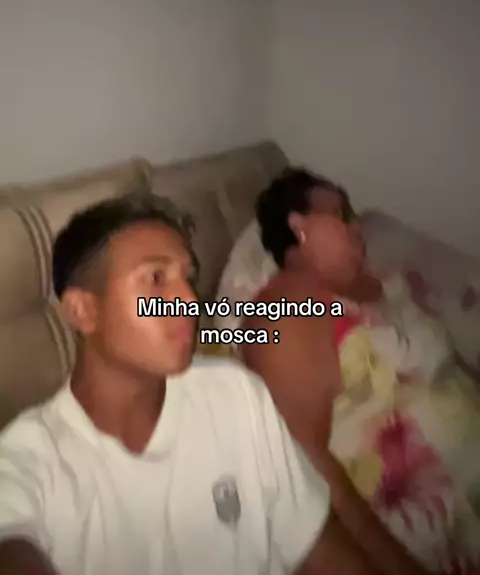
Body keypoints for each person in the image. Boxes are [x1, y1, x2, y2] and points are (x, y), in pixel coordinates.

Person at [0, 192, 378, 575]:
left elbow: (322, 552)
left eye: (189, 278)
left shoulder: (234, 394)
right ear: (83, 311)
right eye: (156, 278)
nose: (188, 300)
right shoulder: (27, 461)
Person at [241, 168, 480, 575]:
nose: (357, 226)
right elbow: (302, 463)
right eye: (340, 213)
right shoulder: (289, 300)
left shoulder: (384, 285)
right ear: (299, 227)